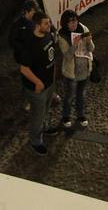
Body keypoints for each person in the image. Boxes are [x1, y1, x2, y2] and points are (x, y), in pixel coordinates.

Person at [17, 10, 60, 154]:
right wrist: (37, 83)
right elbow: (24, 69)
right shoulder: (30, 46)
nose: (49, 26)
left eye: (49, 22)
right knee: (38, 115)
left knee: (46, 109)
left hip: (49, 83)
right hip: (38, 89)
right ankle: (35, 140)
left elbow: (51, 57)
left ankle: (45, 127)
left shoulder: (47, 35)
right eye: (46, 23)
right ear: (37, 25)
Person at [55, 9, 95, 132]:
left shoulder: (83, 29)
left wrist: (89, 41)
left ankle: (80, 115)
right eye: (70, 22)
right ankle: (66, 117)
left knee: (81, 95)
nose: (74, 24)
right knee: (69, 96)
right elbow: (67, 56)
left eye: (75, 21)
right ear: (65, 24)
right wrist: (74, 45)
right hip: (71, 72)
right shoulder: (62, 36)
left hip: (84, 69)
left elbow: (91, 48)